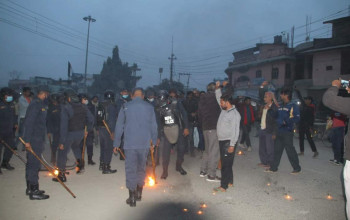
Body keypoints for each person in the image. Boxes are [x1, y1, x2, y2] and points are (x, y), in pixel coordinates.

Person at [113, 88, 158, 207]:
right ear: (143, 96)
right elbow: (154, 126)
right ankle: (139, 194)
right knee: (141, 168)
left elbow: (119, 126)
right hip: (144, 144)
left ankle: (132, 197)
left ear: (132, 96)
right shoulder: (149, 107)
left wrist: (116, 144)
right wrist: (153, 142)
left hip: (130, 144)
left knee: (130, 169)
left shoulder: (125, 106)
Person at [322, 78, 350, 218]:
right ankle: (336, 158)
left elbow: (328, 99)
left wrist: (334, 86)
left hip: (339, 129)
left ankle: (338, 159)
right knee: (335, 143)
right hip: (335, 128)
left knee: (338, 144)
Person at [53, 89, 93, 182]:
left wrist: (62, 141)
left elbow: (63, 126)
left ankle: (61, 175)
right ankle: (80, 167)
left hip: (69, 134)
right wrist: (87, 130)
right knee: (76, 148)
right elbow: (91, 119)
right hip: (80, 133)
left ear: (68, 98)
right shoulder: (83, 107)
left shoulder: (66, 108)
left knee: (62, 153)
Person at [265, 87, 301, 174]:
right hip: (278, 131)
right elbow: (275, 115)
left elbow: (297, 118)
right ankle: (274, 168)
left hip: (287, 132)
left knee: (290, 150)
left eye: (282, 94)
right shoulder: (280, 105)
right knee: (277, 150)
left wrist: (286, 121)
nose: (280, 95)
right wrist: (269, 109)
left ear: (286, 95)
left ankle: (297, 168)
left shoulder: (293, 106)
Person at [22, 86, 50, 200]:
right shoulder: (36, 104)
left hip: (36, 138)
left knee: (31, 164)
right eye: (46, 94)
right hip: (34, 139)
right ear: (43, 94)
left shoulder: (37, 103)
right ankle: (34, 191)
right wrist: (27, 140)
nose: (47, 96)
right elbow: (29, 123)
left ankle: (30, 187)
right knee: (34, 164)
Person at [213, 81, 241, 192]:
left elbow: (236, 131)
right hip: (222, 140)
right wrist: (217, 88)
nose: (220, 104)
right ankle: (230, 181)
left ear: (227, 102)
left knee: (225, 165)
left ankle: (223, 186)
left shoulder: (234, 114)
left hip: (228, 142)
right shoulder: (224, 110)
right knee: (228, 163)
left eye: (222, 102)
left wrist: (232, 145)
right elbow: (218, 97)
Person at [156, 89, 189, 179]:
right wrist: (158, 136)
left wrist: (186, 127)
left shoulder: (176, 102)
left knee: (181, 149)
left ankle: (179, 166)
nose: (161, 102)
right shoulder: (158, 108)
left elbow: (184, 114)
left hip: (179, 128)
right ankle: (165, 171)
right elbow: (158, 123)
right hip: (166, 131)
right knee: (165, 152)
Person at [198, 83, 221, 182]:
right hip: (213, 126)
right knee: (214, 151)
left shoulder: (202, 98)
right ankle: (211, 175)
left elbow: (199, 113)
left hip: (205, 127)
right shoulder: (215, 97)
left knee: (207, 150)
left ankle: (203, 171)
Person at [96, 90, 118, 174]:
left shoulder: (100, 104)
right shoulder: (111, 106)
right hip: (108, 129)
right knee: (108, 148)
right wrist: (112, 132)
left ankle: (101, 164)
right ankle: (106, 167)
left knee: (103, 147)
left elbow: (97, 117)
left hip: (101, 128)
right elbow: (112, 120)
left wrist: (97, 128)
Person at [258, 81, 278, 168]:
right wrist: (262, 86)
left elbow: (276, 121)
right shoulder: (264, 105)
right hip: (262, 129)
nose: (264, 98)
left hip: (269, 130)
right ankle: (264, 162)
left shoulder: (274, 107)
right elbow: (260, 94)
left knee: (269, 148)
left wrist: (274, 133)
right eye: (264, 97)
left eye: (266, 97)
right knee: (262, 148)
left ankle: (270, 163)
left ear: (270, 98)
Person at [295, 89, 318, 157]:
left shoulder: (311, 108)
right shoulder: (304, 106)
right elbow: (301, 99)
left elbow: (312, 119)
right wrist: (297, 91)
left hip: (307, 126)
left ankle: (315, 151)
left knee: (309, 139)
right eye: (305, 100)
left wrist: (311, 127)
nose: (305, 101)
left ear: (310, 101)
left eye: (307, 100)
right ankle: (302, 151)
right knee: (301, 138)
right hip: (301, 124)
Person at [0, 87, 17, 173]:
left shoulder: (12, 104)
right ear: (3, 95)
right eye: (8, 95)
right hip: (1, 131)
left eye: (11, 95)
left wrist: (15, 123)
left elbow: (14, 115)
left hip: (9, 131)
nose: (10, 96)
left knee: (11, 147)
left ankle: (5, 163)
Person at [78, 94, 96, 166]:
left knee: (89, 145)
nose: (86, 100)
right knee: (80, 146)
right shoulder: (77, 107)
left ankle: (90, 159)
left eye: (86, 99)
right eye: (84, 99)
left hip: (88, 129)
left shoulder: (90, 106)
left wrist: (88, 129)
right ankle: (80, 161)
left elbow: (92, 118)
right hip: (80, 130)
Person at [116, 88, 131, 160]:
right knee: (122, 139)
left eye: (126, 93)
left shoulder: (129, 101)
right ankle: (122, 155)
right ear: (121, 93)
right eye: (124, 92)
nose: (125, 94)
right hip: (121, 121)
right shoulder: (119, 101)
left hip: (128, 121)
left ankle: (126, 153)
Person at [46, 93, 61, 165]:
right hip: (55, 129)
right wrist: (48, 131)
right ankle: (53, 156)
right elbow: (48, 120)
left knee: (63, 143)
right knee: (55, 144)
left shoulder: (61, 106)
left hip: (62, 128)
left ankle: (62, 157)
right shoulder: (50, 108)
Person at [182, 91, 198, 157]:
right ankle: (186, 150)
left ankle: (191, 151)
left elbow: (197, 110)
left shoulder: (195, 102)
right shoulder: (183, 102)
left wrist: (195, 114)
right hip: (185, 121)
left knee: (191, 137)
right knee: (185, 137)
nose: (190, 96)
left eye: (191, 95)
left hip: (191, 121)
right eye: (189, 95)